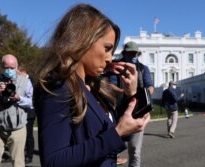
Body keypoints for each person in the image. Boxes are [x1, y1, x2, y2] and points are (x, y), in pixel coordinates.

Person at [34, 3, 150, 167]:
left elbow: (119, 134)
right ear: (82, 40)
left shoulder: (94, 86)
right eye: (107, 48)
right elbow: (54, 161)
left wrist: (131, 94)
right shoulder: (59, 87)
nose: (110, 58)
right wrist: (117, 134)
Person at [0, 54, 33, 167]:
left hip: (17, 128)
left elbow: (31, 103)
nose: (9, 70)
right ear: (1, 66)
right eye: (6, 67)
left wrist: (19, 98)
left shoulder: (25, 82)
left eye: (12, 68)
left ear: (17, 67)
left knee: (18, 163)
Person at [115, 41, 154, 167]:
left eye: (135, 53)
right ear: (124, 53)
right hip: (117, 112)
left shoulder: (143, 68)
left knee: (135, 151)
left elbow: (150, 87)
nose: (133, 56)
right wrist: (124, 91)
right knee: (111, 149)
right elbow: (107, 86)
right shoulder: (116, 67)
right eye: (130, 53)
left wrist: (141, 96)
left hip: (137, 112)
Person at [17, 65, 36, 164]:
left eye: (18, 73)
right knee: (20, 134)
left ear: (23, 72)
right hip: (21, 110)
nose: (17, 75)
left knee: (29, 134)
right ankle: (21, 153)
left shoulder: (32, 81)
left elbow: (34, 97)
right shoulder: (19, 82)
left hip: (30, 111)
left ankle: (29, 155)